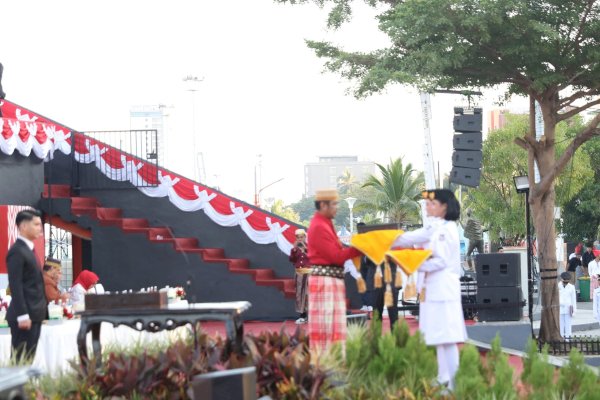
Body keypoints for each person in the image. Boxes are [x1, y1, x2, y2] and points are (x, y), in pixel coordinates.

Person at [392, 189, 466, 390]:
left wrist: (412, 262)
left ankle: (453, 382)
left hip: (442, 289)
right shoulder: (434, 227)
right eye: (427, 203)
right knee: (438, 336)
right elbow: (407, 238)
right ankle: (444, 377)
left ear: (444, 207)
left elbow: (440, 261)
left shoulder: (447, 229)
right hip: (433, 289)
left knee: (447, 338)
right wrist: (382, 239)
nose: (427, 207)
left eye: (432, 203)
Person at [307, 189, 362, 353]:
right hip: (325, 281)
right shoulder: (319, 226)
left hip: (329, 280)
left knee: (333, 329)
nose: (337, 208)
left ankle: (332, 366)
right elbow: (336, 257)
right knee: (327, 330)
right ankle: (327, 368)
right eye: (334, 204)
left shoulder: (324, 224)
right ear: (323, 205)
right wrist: (359, 248)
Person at [6, 209, 46, 361]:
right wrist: (23, 315)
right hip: (24, 316)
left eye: (40, 224)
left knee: (28, 359)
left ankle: (24, 386)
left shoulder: (29, 250)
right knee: (19, 360)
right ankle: (14, 386)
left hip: (34, 313)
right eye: (36, 224)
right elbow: (15, 285)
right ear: (23, 226)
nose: (39, 228)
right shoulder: (17, 251)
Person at [289, 228, 310, 324]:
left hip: (309, 273)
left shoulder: (310, 247)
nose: (300, 239)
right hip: (299, 273)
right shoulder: (295, 249)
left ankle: (311, 315)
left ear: (305, 237)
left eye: (302, 237)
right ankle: (302, 315)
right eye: (298, 237)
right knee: (299, 295)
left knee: (308, 294)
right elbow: (292, 260)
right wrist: (294, 249)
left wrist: (305, 248)